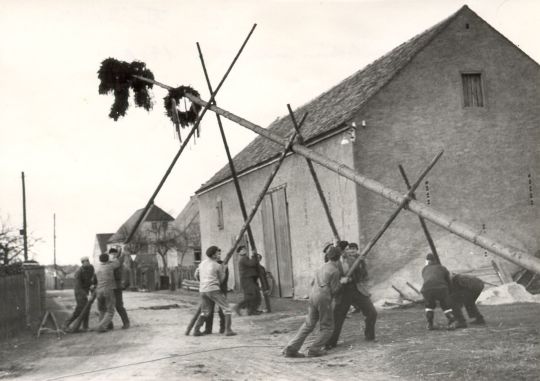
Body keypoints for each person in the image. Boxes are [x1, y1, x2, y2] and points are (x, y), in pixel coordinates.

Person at [282, 246, 347, 358]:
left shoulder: (321, 267)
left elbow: (313, 282)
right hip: (323, 297)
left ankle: (291, 348)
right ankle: (315, 349)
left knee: (309, 324)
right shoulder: (335, 271)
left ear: (328, 256)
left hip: (313, 295)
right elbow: (334, 290)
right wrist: (342, 282)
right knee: (327, 327)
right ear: (339, 257)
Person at [325, 242, 377, 349]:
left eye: (349, 249)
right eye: (346, 249)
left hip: (356, 289)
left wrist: (361, 263)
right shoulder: (332, 262)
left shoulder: (353, 260)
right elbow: (330, 277)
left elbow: (363, 276)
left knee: (372, 312)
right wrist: (341, 280)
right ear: (340, 251)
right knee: (338, 317)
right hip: (342, 292)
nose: (349, 251)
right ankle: (331, 342)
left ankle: (369, 337)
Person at [192, 246, 236, 337]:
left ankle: (196, 330)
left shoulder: (202, 264)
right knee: (227, 308)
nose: (218, 254)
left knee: (205, 311)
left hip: (202, 290)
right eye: (217, 253)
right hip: (213, 289)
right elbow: (221, 279)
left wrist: (202, 282)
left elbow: (196, 275)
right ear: (213, 254)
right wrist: (223, 271)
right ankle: (228, 330)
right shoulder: (217, 265)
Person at [421, 253, 456, 330]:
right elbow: (448, 281)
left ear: (427, 261)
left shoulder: (424, 269)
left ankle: (430, 324)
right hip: (441, 288)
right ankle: (452, 322)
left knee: (429, 306)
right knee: (445, 305)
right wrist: (450, 291)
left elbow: (427, 279)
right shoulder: (442, 268)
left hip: (427, 289)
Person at [93, 251, 124, 332]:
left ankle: (102, 325)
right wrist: (112, 257)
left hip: (99, 290)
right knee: (110, 311)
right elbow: (117, 262)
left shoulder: (97, 268)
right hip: (108, 290)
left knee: (102, 310)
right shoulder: (109, 266)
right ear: (107, 260)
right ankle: (101, 327)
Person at [63, 256, 95, 332]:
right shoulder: (79, 272)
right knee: (79, 309)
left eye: (88, 260)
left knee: (87, 309)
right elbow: (78, 286)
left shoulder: (91, 268)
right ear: (82, 263)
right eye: (85, 261)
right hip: (79, 292)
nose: (87, 262)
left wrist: (92, 286)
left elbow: (91, 280)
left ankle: (85, 326)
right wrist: (85, 295)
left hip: (85, 291)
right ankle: (65, 325)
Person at [234, 246, 262, 316]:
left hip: (250, 279)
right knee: (252, 296)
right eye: (242, 250)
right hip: (247, 279)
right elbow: (251, 264)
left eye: (245, 249)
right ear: (239, 252)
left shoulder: (245, 258)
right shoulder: (243, 259)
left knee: (256, 295)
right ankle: (239, 306)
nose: (244, 250)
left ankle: (252, 311)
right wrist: (254, 256)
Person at [109, 248, 130, 329]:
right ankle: (109, 324)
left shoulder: (118, 263)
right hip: (110, 287)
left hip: (117, 287)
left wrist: (123, 254)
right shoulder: (109, 263)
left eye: (115, 254)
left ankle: (126, 323)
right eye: (112, 254)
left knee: (119, 306)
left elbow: (120, 263)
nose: (113, 255)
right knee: (109, 307)